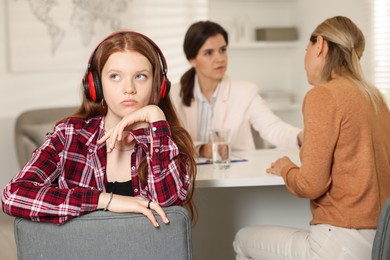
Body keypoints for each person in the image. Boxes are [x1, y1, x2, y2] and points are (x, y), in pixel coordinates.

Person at [2, 31, 197, 227]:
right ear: (95, 85)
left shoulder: (168, 142)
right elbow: (13, 195)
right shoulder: (69, 136)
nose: (129, 88)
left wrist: (155, 118)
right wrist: (105, 200)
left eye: (140, 76)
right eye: (115, 76)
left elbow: (169, 211)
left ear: (158, 85)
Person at [233, 16, 390, 260]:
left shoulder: (323, 95)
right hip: (380, 243)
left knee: (242, 240)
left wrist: (286, 168)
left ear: (320, 46)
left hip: (339, 243)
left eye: (307, 50)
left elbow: (311, 184)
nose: (304, 61)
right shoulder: (374, 96)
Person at [170, 21, 302, 158]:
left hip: (235, 174)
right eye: (209, 53)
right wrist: (202, 148)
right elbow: (172, 140)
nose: (220, 59)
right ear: (192, 60)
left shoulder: (245, 91)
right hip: (191, 175)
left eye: (223, 50)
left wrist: (300, 137)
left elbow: (272, 127)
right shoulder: (174, 94)